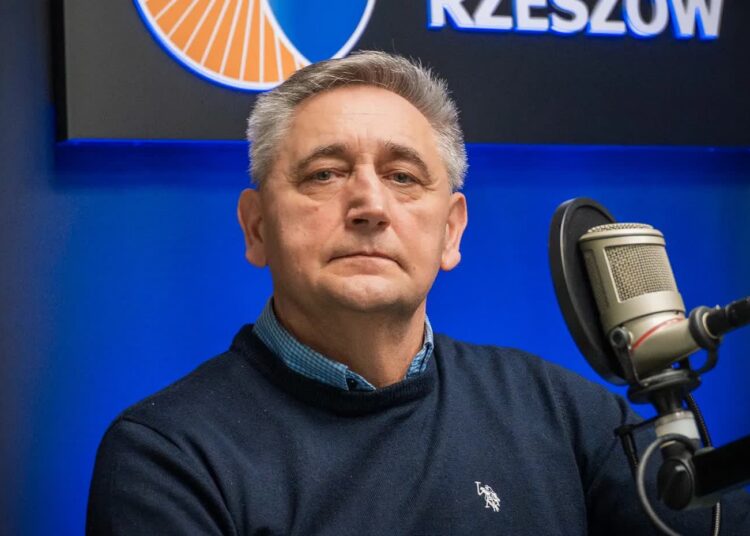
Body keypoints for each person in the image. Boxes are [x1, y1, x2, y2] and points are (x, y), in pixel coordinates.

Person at [87, 51, 749, 535]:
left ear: (451, 231)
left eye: (403, 177)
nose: (370, 205)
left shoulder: (564, 413)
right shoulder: (168, 456)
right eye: (325, 174)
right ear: (257, 228)